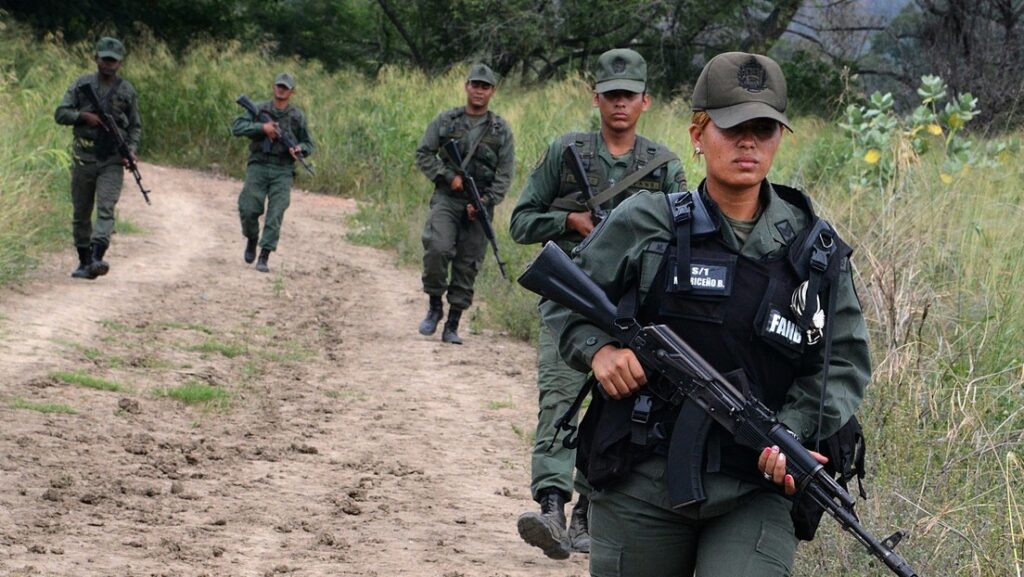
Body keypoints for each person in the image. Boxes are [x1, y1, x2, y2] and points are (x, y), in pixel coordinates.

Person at [538, 52, 871, 576]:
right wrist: (598, 350)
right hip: (641, 478)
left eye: (764, 129)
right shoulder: (647, 222)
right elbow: (562, 297)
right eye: (733, 127)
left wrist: (790, 431)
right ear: (698, 132)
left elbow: (845, 363)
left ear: (779, 138)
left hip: (754, 489)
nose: (748, 143)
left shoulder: (814, 250)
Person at [510, 48, 686, 560]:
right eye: (611, 96)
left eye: (628, 96)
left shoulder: (663, 166)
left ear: (645, 101)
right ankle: (551, 506)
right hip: (569, 303)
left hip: (631, 311)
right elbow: (521, 221)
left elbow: (682, 236)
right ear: (596, 99)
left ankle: (589, 511)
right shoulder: (567, 153)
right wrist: (569, 223)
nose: (619, 105)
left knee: (617, 406)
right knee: (560, 400)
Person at [415, 64, 515, 344]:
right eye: (475, 85)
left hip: (480, 203)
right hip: (448, 197)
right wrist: (448, 176)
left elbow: (505, 173)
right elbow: (424, 153)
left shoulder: (500, 129)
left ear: (492, 91)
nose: (479, 91)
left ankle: (453, 324)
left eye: (485, 86)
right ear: (467, 86)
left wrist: (484, 201)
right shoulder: (447, 121)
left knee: (467, 263)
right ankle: (435, 305)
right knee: (437, 248)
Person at [54, 37, 142, 280]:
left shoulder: (126, 90)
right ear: (96, 58)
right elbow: (60, 113)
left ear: (120, 63)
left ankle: (96, 257)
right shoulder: (82, 84)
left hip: (112, 158)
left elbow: (135, 126)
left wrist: (131, 150)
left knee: (106, 207)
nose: (108, 65)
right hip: (84, 155)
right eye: (104, 59)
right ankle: (84, 260)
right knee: (81, 211)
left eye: (113, 61)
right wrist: (83, 117)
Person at [231, 72, 315, 273]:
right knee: (248, 207)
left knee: (276, 212)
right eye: (278, 85)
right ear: (273, 87)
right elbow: (237, 127)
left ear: (291, 92)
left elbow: (308, 143)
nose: (281, 89)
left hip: (283, 169)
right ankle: (252, 238)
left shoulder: (296, 116)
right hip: (258, 165)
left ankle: (264, 255)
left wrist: (299, 149)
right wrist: (263, 128)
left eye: (285, 87)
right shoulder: (260, 109)